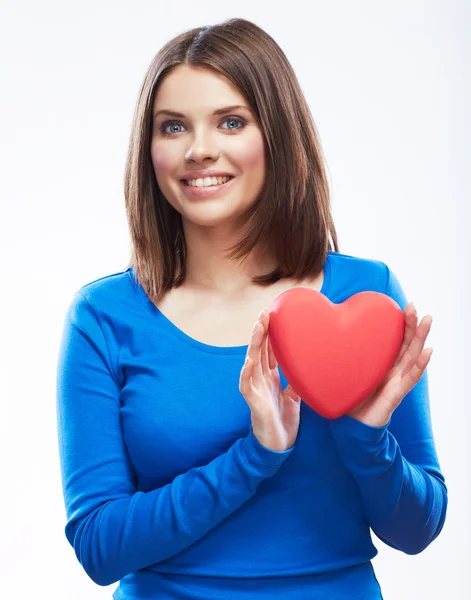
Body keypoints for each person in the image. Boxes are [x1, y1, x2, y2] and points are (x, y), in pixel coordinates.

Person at [56, 17, 448, 600]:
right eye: (172, 127)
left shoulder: (367, 296)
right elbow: (99, 546)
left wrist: (366, 438)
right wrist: (255, 456)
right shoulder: (104, 316)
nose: (199, 150)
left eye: (231, 122)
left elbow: (416, 530)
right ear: (150, 148)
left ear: (278, 135)